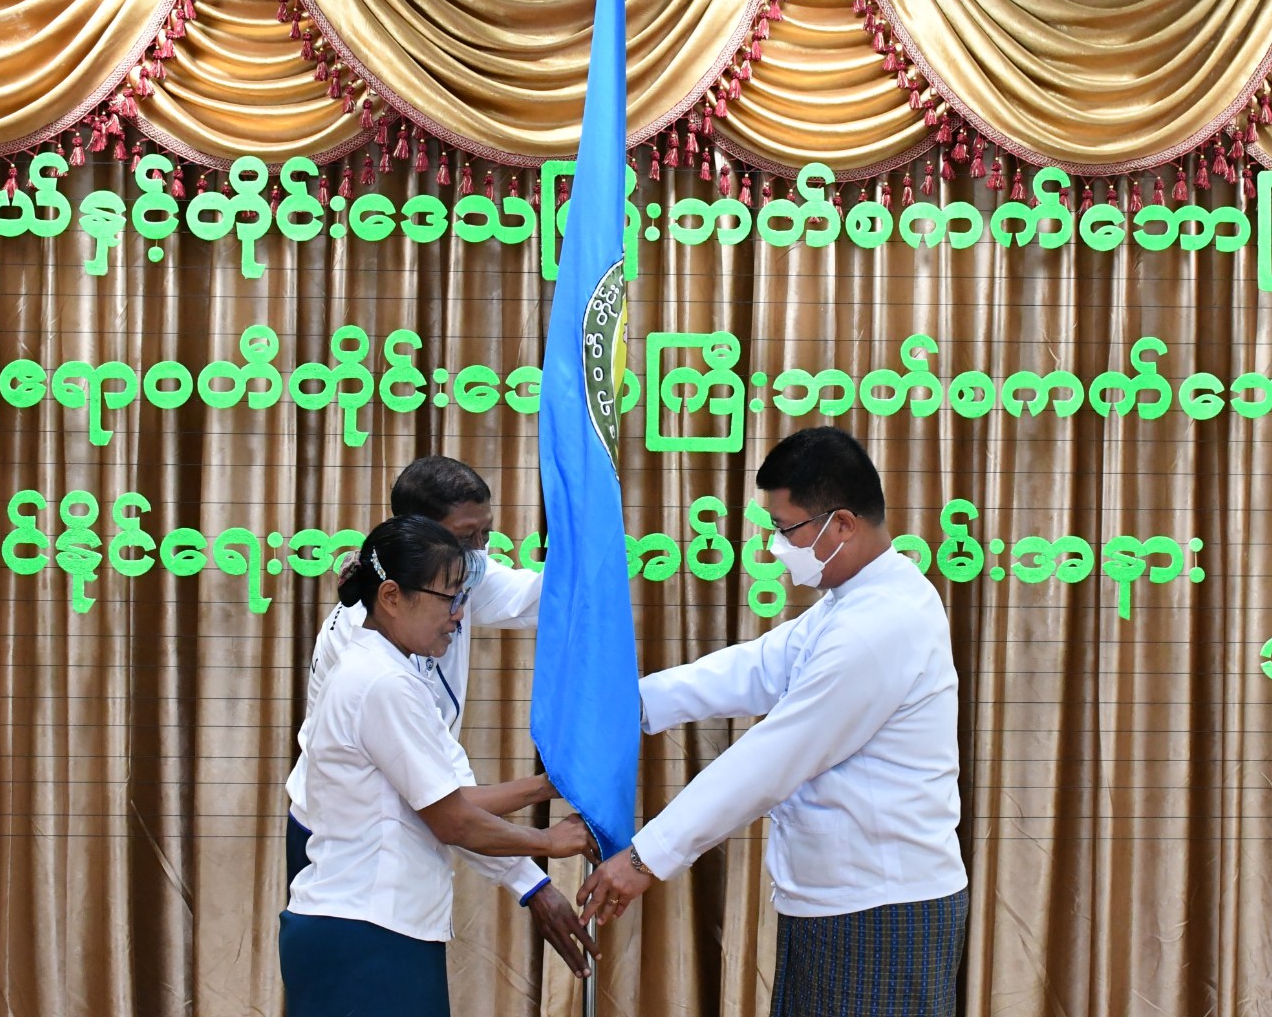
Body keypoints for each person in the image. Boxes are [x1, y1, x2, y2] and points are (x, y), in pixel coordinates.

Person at [578, 426, 969, 1016]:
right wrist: (628, 706)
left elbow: (773, 758)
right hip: (834, 901)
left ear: (842, 524)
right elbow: (755, 667)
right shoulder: (851, 603)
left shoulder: (881, 624)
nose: (778, 546)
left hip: (880, 908)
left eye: (787, 529)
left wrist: (646, 856)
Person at [285, 455, 596, 976]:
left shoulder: (448, 581)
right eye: (466, 537)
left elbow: (545, 600)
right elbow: (449, 804)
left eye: (486, 534)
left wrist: (593, 545)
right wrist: (533, 879)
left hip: (408, 836)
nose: (480, 553)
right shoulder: (374, 655)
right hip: (349, 848)